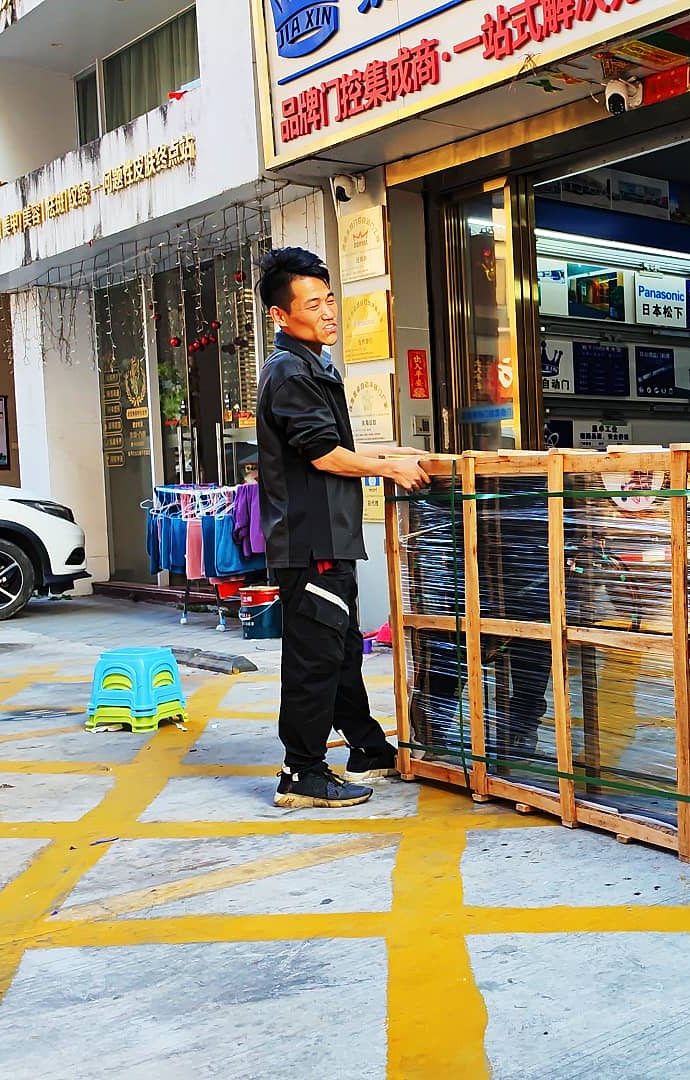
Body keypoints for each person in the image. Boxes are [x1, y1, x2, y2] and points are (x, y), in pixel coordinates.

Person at [255, 246, 430, 809]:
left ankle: (367, 748)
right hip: (312, 542)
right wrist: (389, 470)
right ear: (281, 315)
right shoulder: (289, 372)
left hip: (329, 537)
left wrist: (390, 453)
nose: (329, 312)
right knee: (315, 657)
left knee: (340, 648)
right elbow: (324, 455)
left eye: (329, 299)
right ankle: (301, 772)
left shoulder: (312, 366)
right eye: (313, 304)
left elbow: (332, 446)